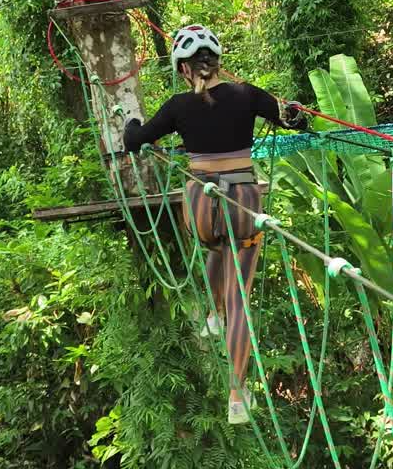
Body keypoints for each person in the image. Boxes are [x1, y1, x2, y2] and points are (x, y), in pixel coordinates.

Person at [122, 24, 308, 424]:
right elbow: (295, 121)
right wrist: (293, 110)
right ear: (217, 62)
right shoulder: (248, 95)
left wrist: (132, 128)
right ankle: (237, 396)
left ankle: (211, 313)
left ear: (184, 70)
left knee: (212, 247)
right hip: (242, 199)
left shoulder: (176, 106)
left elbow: (136, 141)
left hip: (200, 206)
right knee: (240, 294)